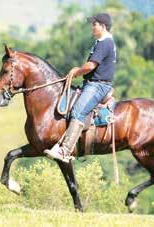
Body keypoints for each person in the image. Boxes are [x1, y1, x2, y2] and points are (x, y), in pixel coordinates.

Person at [45, 13, 116, 163]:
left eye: (94, 24)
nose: (92, 27)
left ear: (102, 26)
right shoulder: (102, 42)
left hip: (98, 85)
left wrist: (75, 71)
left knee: (77, 112)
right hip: (92, 84)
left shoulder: (105, 43)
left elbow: (91, 66)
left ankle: (65, 151)